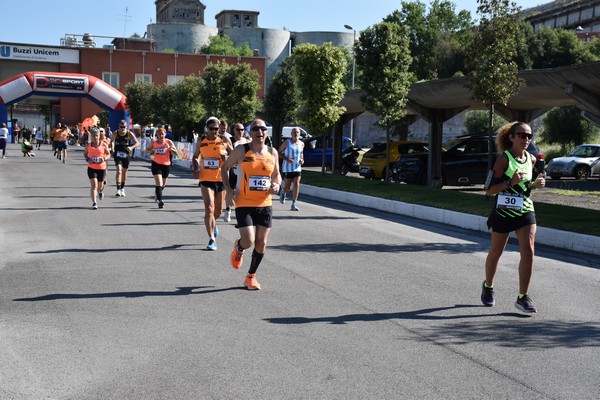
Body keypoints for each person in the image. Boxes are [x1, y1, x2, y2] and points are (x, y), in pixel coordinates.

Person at [481, 122, 545, 313]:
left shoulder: (531, 159)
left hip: (525, 209)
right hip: (503, 211)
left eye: (529, 136)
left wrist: (536, 185)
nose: (526, 139)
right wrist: (509, 182)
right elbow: (488, 191)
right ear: (511, 137)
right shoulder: (503, 160)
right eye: (521, 135)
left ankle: (522, 297)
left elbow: (526, 187)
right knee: (496, 252)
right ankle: (488, 286)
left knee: (528, 251)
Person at [221, 118, 281, 290]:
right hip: (244, 203)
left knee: (261, 242)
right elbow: (224, 168)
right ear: (250, 132)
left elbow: (277, 174)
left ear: (266, 132)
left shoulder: (272, 152)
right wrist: (228, 189)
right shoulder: (242, 150)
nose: (259, 132)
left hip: (265, 203)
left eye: (263, 129)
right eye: (255, 129)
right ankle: (239, 248)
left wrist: (277, 184)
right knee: (249, 240)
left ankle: (251, 276)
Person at [193, 117, 228, 250]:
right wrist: (196, 166)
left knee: (217, 211)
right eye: (211, 129)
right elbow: (195, 156)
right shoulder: (201, 141)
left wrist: (227, 159)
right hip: (206, 179)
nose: (214, 131)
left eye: (216, 129)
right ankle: (211, 239)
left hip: (221, 179)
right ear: (207, 129)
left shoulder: (224, 140)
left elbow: (235, 157)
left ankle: (213, 224)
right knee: (209, 207)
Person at [147, 126, 178, 208]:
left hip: (166, 165)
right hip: (156, 164)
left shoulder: (169, 142)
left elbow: (176, 153)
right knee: (159, 183)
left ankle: (157, 193)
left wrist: (170, 148)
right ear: (157, 134)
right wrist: (152, 151)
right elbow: (147, 150)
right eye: (159, 134)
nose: (161, 136)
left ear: (165, 134)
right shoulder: (154, 142)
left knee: (163, 184)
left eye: (162, 134)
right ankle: (160, 200)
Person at [278, 127, 305, 211]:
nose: (296, 134)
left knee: (296, 184)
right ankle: (283, 191)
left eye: (297, 132)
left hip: (297, 168)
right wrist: (286, 159)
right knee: (288, 187)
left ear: (299, 134)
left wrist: (302, 160)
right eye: (294, 132)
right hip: (287, 168)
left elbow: (301, 153)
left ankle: (294, 204)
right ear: (291, 134)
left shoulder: (302, 144)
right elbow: (278, 152)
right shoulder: (286, 142)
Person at [83, 127, 111, 210]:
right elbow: (85, 154)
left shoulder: (103, 145)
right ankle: (94, 203)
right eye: (93, 136)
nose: (95, 137)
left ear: (99, 136)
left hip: (101, 168)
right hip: (91, 168)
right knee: (94, 185)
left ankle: (100, 191)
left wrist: (104, 159)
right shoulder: (89, 145)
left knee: (100, 186)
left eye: (97, 136)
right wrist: (88, 159)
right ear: (91, 136)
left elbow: (109, 154)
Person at [112, 120, 140, 197]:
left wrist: (131, 147)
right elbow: (112, 141)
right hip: (117, 153)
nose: (122, 128)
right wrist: (112, 148)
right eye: (121, 127)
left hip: (126, 154)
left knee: (124, 171)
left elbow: (137, 143)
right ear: (119, 127)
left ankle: (122, 188)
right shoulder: (115, 133)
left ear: (126, 127)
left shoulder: (129, 133)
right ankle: (118, 189)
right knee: (119, 170)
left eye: (124, 127)